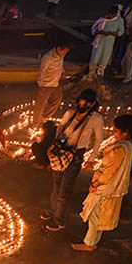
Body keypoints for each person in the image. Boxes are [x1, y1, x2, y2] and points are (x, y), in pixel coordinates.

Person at [41, 89, 104, 231]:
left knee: (65, 189)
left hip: (75, 155)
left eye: (86, 104)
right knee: (56, 185)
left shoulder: (95, 119)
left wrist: (92, 158)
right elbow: (60, 129)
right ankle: (52, 211)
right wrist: (53, 146)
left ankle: (58, 220)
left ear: (92, 104)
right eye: (81, 103)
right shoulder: (70, 114)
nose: (82, 106)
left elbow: (98, 139)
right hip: (60, 150)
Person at [74, 115, 132, 251]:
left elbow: (110, 172)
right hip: (112, 187)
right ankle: (93, 241)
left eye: (115, 131)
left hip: (105, 186)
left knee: (93, 214)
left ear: (125, 132)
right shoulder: (129, 146)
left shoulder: (120, 149)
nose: (112, 133)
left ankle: (89, 244)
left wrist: (96, 183)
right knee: (99, 215)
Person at [32, 43, 69, 125]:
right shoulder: (48, 57)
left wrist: (63, 72)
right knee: (40, 105)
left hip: (55, 83)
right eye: (64, 52)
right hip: (45, 85)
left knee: (57, 99)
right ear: (59, 48)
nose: (64, 54)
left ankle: (45, 117)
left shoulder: (61, 56)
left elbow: (60, 66)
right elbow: (42, 71)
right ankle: (35, 123)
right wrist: (40, 85)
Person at [89, 6, 125, 77]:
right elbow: (94, 29)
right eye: (109, 14)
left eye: (112, 15)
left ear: (115, 14)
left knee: (104, 58)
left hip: (109, 43)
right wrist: (98, 32)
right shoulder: (102, 19)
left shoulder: (119, 20)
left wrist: (110, 33)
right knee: (95, 57)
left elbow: (121, 32)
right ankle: (91, 73)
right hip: (98, 42)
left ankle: (100, 74)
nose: (110, 16)